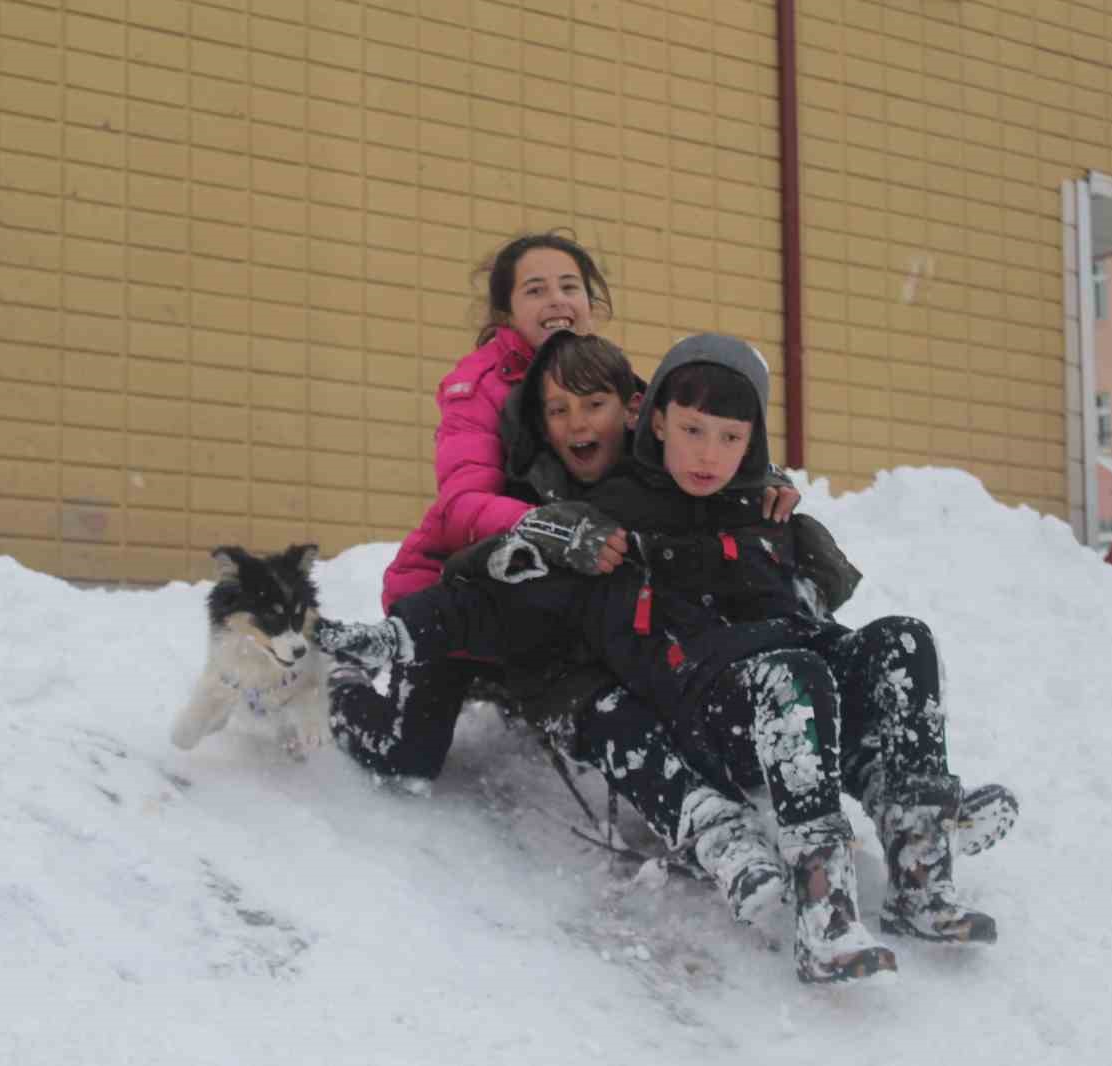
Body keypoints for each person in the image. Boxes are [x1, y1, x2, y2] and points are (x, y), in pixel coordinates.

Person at [321, 332, 1005, 984]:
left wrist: (789, 530)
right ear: (655, 423)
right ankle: (824, 916)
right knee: (793, 676)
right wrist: (399, 634)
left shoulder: (760, 509)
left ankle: (920, 871)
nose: (709, 453)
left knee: (903, 639)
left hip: (799, 682)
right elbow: (503, 591)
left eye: (731, 438)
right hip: (712, 708)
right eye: (692, 431)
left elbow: (814, 607)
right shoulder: (610, 519)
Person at [327, 232, 803, 925]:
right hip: (460, 584)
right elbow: (461, 506)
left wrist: (760, 481)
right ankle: (344, 684)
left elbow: (696, 439)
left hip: (569, 586)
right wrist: (549, 526)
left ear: (592, 301)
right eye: (535, 288)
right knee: (408, 758)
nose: (557, 299)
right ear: (504, 312)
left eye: (570, 285)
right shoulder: (479, 388)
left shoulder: (614, 380)